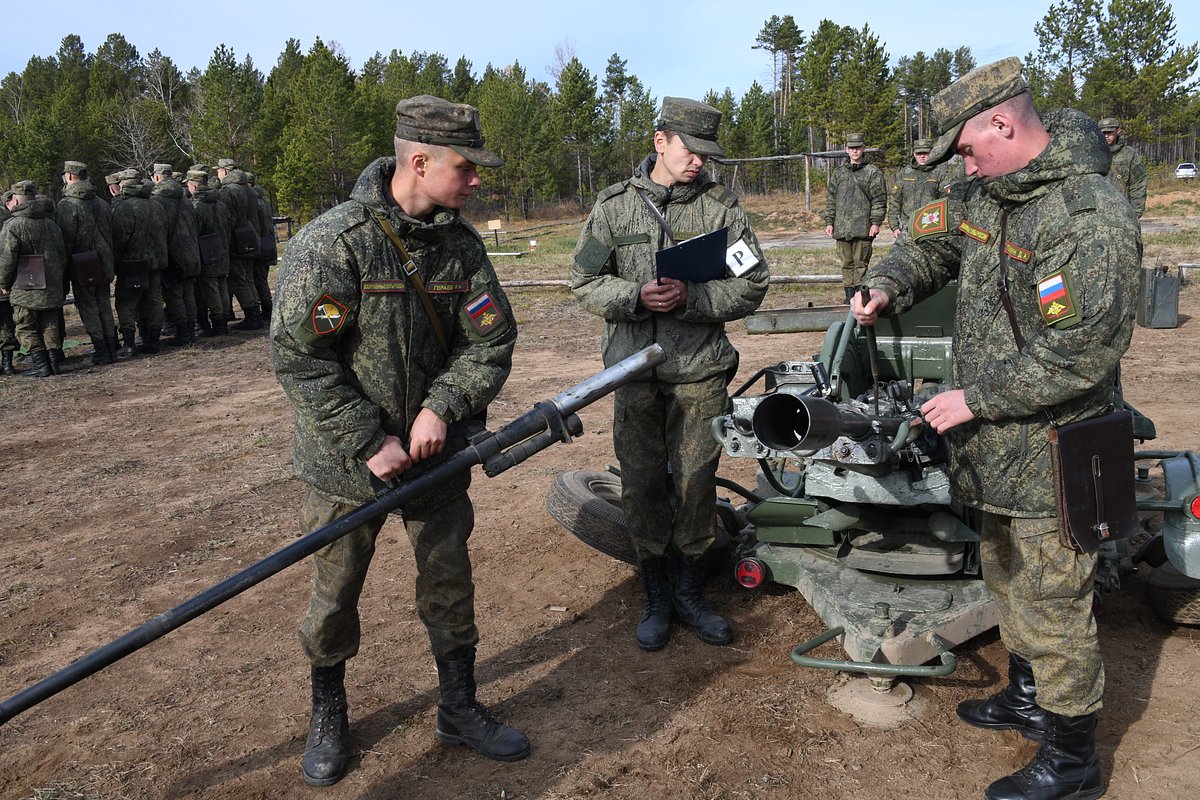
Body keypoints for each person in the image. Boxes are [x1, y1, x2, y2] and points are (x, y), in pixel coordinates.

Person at [852, 58, 1140, 800]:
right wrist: (886, 283)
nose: (962, 164)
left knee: (1056, 602)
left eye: (968, 148)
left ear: (1003, 124)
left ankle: (1073, 758)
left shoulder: (1087, 216)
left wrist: (973, 398)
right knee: (1008, 577)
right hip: (997, 454)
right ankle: (1025, 695)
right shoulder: (990, 192)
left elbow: (1080, 353)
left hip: (1056, 449)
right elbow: (932, 244)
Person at [271, 94, 525, 787]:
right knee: (336, 591)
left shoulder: (461, 247)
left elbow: (491, 340)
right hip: (346, 469)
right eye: (466, 168)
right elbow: (300, 357)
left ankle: (459, 705)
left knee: (449, 582)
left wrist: (443, 407)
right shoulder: (334, 245)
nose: (476, 182)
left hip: (436, 461)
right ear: (419, 161)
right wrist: (365, 439)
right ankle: (329, 710)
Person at [570, 97, 769, 652]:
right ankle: (654, 593)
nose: (700, 162)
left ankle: (689, 592)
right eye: (691, 149)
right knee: (641, 484)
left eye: (708, 153)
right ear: (661, 141)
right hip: (634, 374)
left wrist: (693, 296)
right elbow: (583, 282)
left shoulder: (722, 213)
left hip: (699, 374)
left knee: (695, 482)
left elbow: (752, 284)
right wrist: (634, 296)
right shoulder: (613, 209)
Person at [0, 182, 67, 376]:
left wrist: (4, 283)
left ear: (16, 200)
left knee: (25, 325)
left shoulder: (13, 225)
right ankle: (54, 363)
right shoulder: (51, 224)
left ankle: (41, 365)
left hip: (25, 285)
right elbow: (62, 254)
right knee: (50, 323)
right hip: (51, 282)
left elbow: (7, 259)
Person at [58, 160, 118, 365]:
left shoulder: (67, 205)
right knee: (104, 305)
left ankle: (101, 349)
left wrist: (63, 271)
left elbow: (66, 242)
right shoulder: (101, 202)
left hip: (82, 264)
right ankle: (111, 347)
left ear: (69, 177)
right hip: (105, 261)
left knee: (88, 307)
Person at [824, 131, 887, 302]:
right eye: (851, 148)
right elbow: (831, 198)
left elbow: (879, 200)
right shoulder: (839, 173)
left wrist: (875, 223)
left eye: (858, 148)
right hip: (842, 227)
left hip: (863, 227)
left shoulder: (873, 173)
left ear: (863, 148)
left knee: (860, 264)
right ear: (846, 150)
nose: (855, 151)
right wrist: (829, 221)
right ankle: (848, 296)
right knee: (846, 264)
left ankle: (859, 297)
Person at [110, 168, 164, 358]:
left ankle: (130, 343)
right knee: (154, 301)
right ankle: (154, 340)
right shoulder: (156, 204)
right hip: (155, 262)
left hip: (131, 263)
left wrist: (115, 263)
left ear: (124, 183)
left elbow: (119, 239)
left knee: (126, 303)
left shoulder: (125, 207)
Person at [151, 163, 202, 346]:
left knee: (175, 296)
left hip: (173, 256)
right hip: (191, 253)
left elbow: (158, 233)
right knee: (188, 294)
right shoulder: (186, 198)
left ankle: (183, 332)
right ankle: (190, 330)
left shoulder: (157, 201)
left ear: (156, 177)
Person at [216, 159, 265, 330]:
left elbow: (226, 220)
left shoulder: (228, 191)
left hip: (236, 241)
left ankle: (252, 315)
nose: (217, 174)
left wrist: (223, 245)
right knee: (248, 277)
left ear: (226, 171)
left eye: (219, 171)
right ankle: (255, 314)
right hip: (251, 238)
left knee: (238, 279)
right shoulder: (249, 190)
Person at [888, 139, 942, 240]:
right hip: (907, 228)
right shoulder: (904, 174)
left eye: (925, 153)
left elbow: (947, 202)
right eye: (919, 153)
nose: (922, 156)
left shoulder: (940, 174)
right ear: (914, 154)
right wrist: (894, 227)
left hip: (932, 229)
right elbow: (895, 201)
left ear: (931, 153)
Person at [1098, 117, 1147, 220]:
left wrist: (1136, 212)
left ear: (1117, 131)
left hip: (1123, 212)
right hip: (1098, 212)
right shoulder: (1092, 154)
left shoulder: (1129, 155)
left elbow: (1138, 183)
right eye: (1103, 133)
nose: (1106, 136)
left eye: (1110, 132)